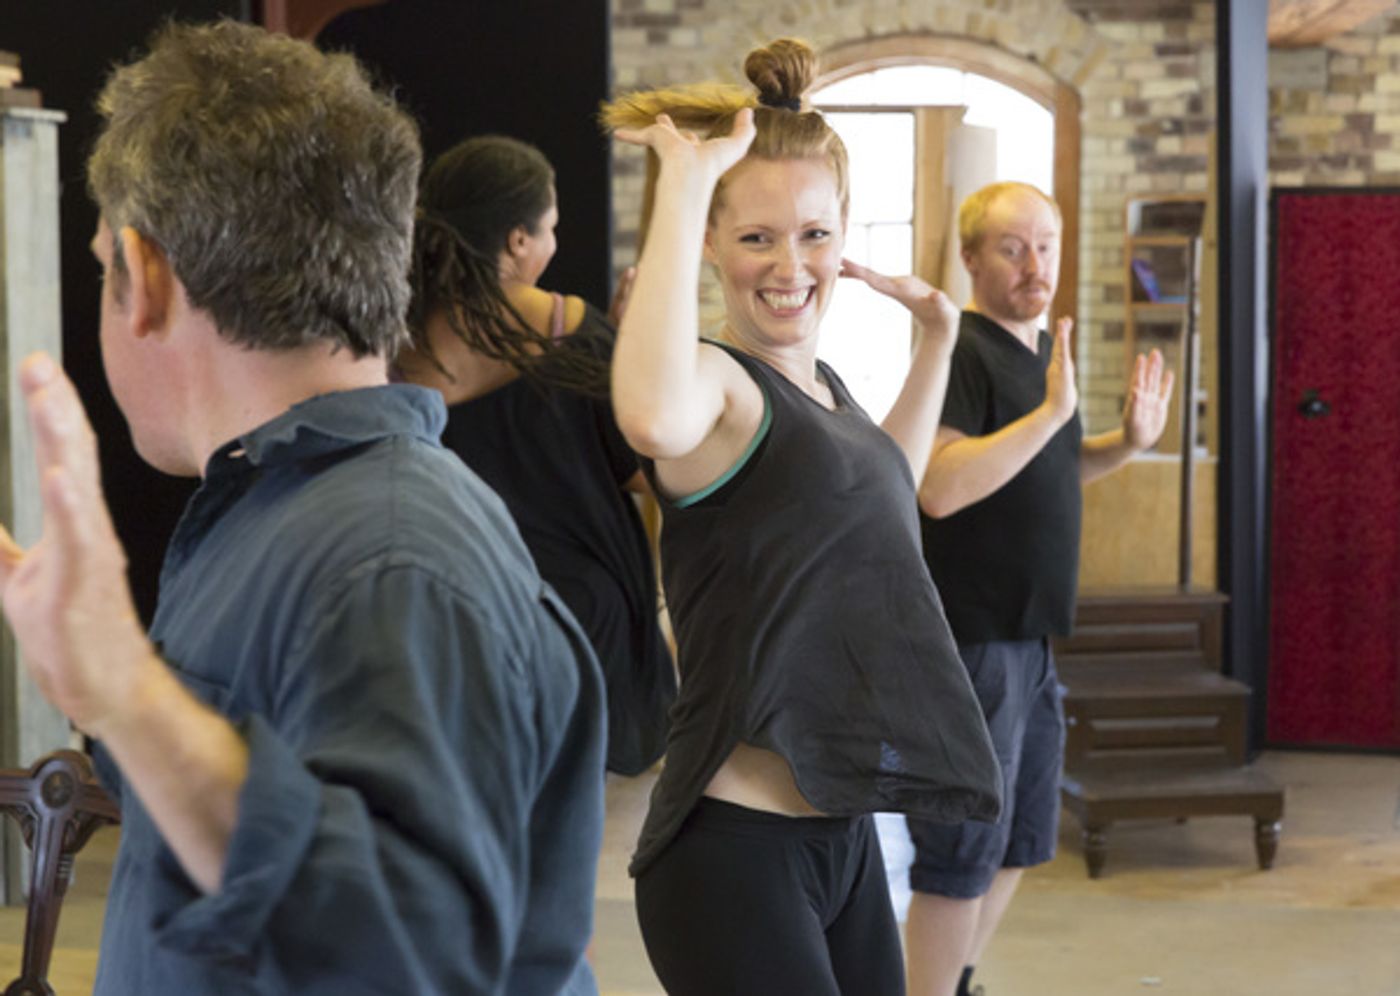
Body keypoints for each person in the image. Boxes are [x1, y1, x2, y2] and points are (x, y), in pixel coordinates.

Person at [0, 22, 605, 995]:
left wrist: (126, 686)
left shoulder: (391, 559)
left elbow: (408, 962)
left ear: (145, 277)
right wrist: (98, 686)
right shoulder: (289, 511)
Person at [601, 38, 1002, 995]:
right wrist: (684, 183)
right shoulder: (717, 389)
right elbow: (648, 414)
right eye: (755, 237)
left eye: (814, 234)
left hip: (841, 833)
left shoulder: (821, 389)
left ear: (845, 230)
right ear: (708, 241)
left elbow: (882, 502)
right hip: (732, 851)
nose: (790, 265)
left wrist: (938, 341)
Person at [897, 181, 1175, 996]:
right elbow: (939, 486)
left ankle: (958, 980)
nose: (1034, 264)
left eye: (1046, 245)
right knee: (960, 852)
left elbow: (1048, 471)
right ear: (973, 257)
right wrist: (1055, 414)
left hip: (1032, 640)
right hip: (973, 639)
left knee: (1019, 841)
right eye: (1013, 248)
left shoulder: (1038, 358)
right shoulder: (963, 351)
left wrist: (1125, 440)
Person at [398, 135, 675, 777]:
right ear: (518, 241)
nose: (553, 241)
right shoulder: (569, 328)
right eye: (549, 227)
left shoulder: (395, 344)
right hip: (578, 620)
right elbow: (638, 470)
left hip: (453, 621)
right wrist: (620, 352)